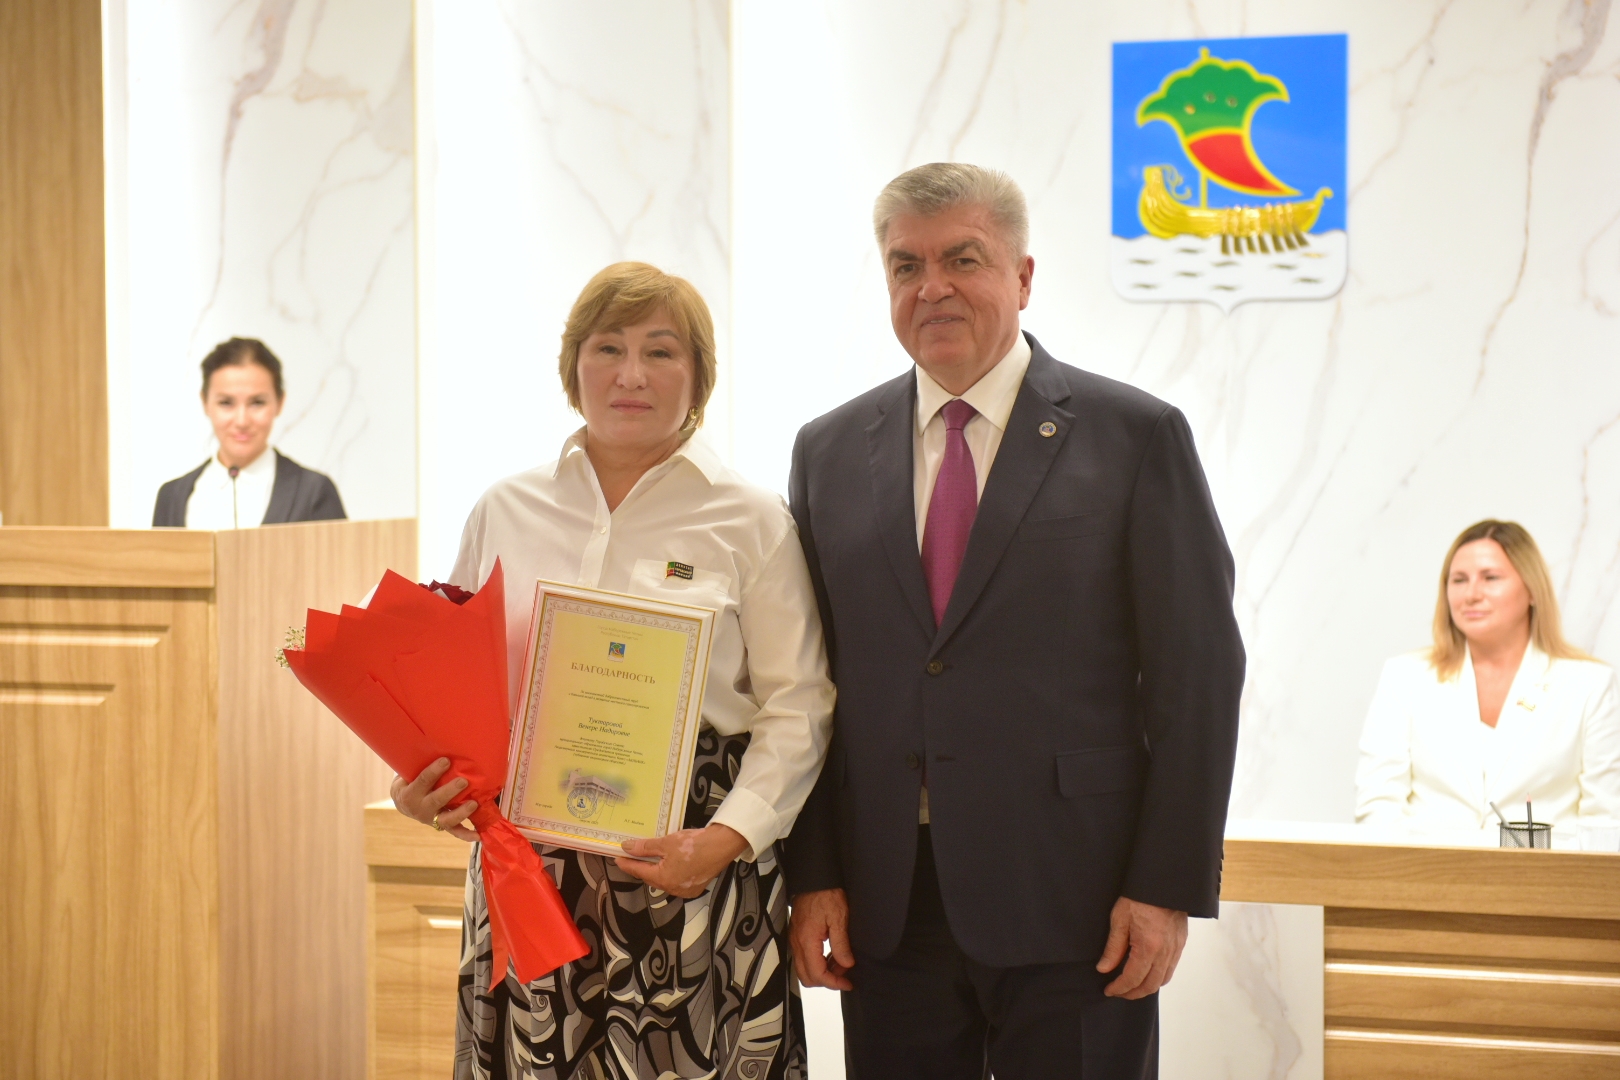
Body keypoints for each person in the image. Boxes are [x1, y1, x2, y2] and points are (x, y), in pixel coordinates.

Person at [785, 163, 1245, 1079]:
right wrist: (815, 873)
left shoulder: (1135, 436)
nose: (932, 287)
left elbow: (1197, 676)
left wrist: (1165, 885)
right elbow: (808, 681)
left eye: (963, 259)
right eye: (906, 266)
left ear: (1023, 277)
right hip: (888, 904)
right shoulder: (828, 449)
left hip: (1078, 900)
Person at [391, 262, 834, 1080]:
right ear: (574, 367)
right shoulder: (504, 508)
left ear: (698, 376)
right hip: (529, 869)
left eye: (661, 351)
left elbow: (799, 705)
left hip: (693, 862)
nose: (632, 374)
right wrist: (419, 780)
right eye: (608, 348)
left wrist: (727, 838)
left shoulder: (750, 519)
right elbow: (455, 685)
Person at [1356, 519, 1620, 829]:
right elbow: (1378, 806)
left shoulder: (1588, 685)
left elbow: (1605, 820)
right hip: (1425, 861)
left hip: (1543, 862)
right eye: (1458, 580)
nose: (1471, 594)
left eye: (1490, 577)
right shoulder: (1405, 677)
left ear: (1532, 590)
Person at [152, 337, 346, 528]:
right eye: (226, 403)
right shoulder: (172, 497)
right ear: (205, 403)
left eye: (257, 403)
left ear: (279, 403)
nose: (242, 421)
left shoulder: (313, 492)